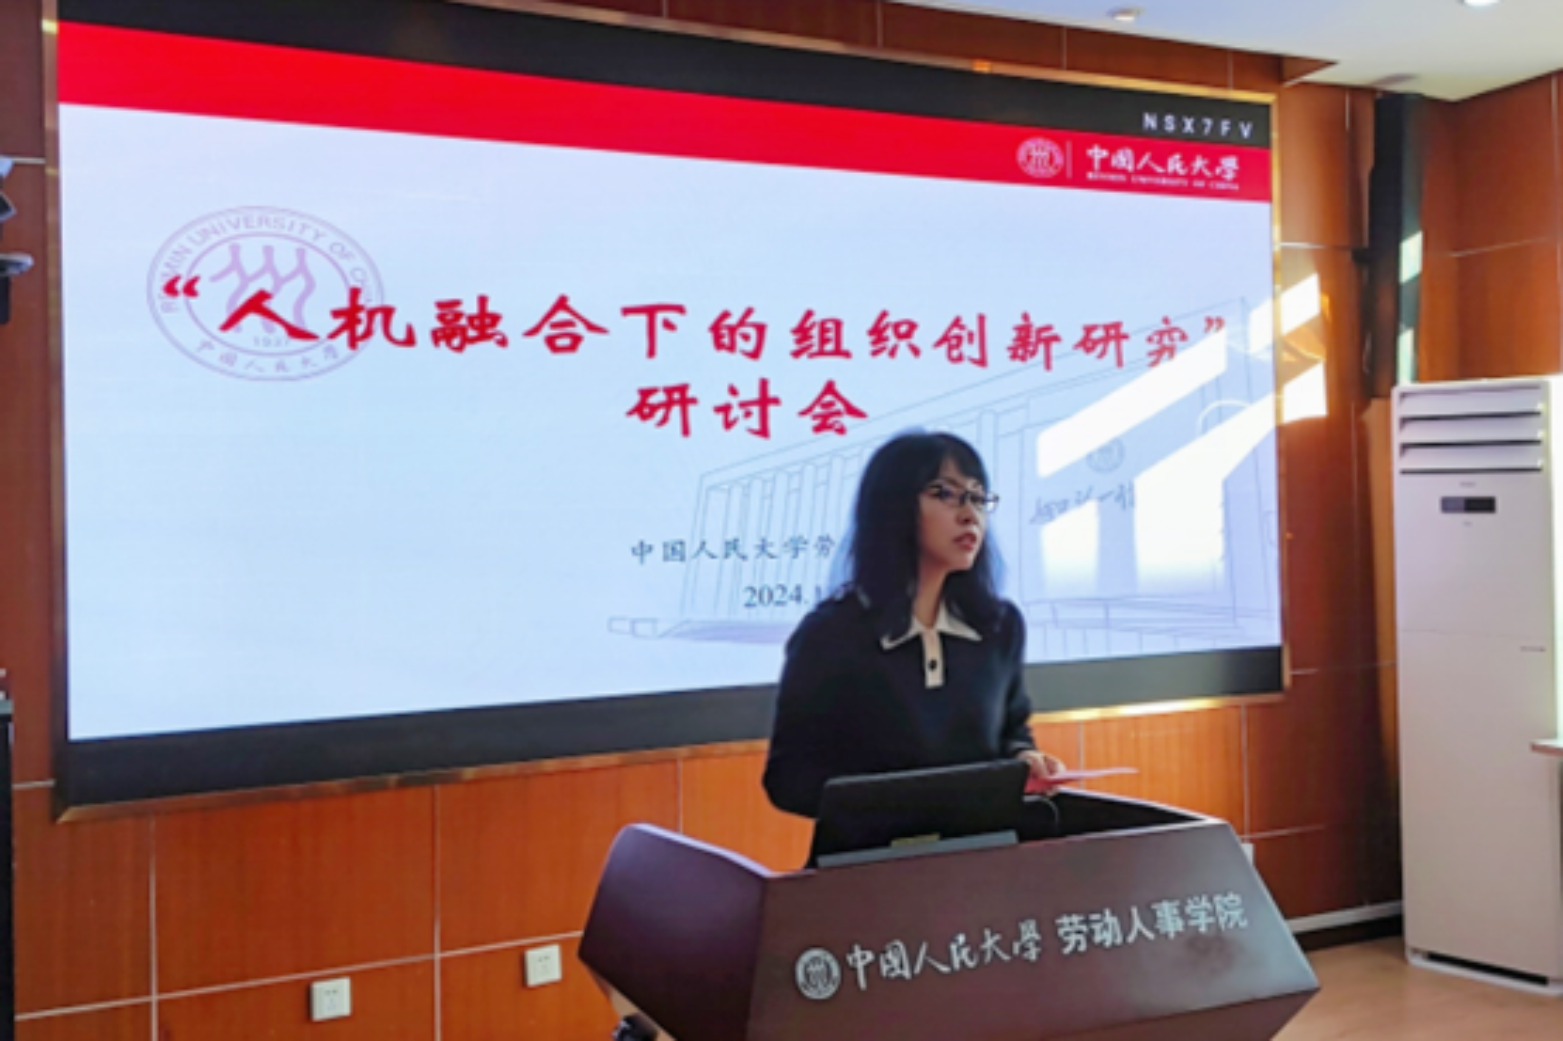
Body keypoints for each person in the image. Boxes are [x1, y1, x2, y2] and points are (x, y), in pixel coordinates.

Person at [763, 431, 1066, 820]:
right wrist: (895, 804)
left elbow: (1011, 731)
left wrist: (1024, 757)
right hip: (875, 852)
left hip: (985, 846)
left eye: (977, 497)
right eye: (945, 494)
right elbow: (788, 779)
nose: (969, 514)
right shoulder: (831, 635)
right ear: (894, 507)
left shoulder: (998, 627)